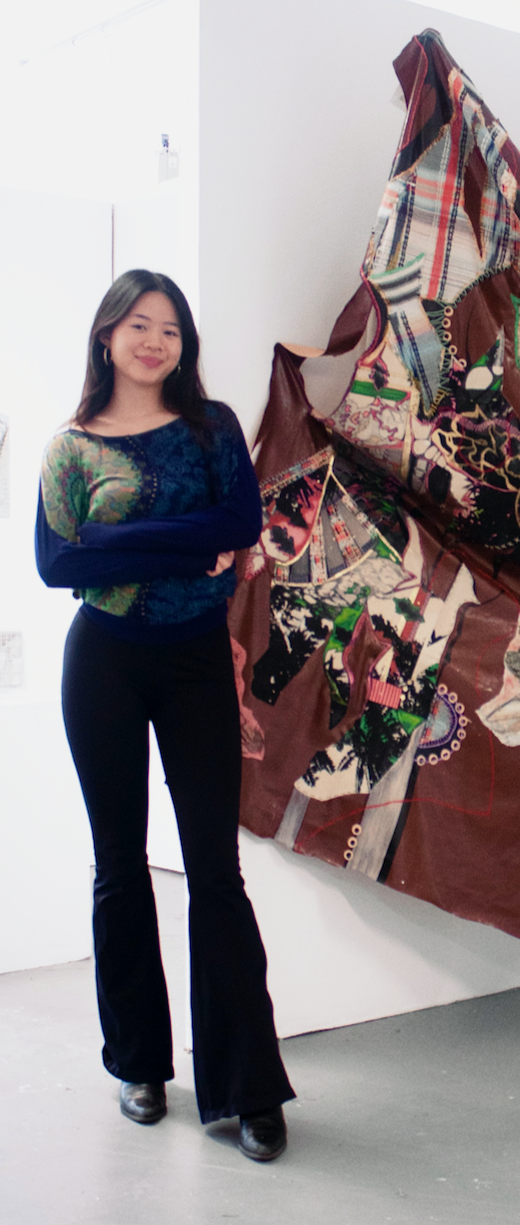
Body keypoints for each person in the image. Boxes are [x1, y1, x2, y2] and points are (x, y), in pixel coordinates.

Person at [35, 269, 295, 1162]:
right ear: (106, 335)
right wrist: (182, 543)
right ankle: (138, 1066)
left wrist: (110, 542)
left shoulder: (210, 427)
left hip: (192, 662)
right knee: (119, 866)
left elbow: (241, 516)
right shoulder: (69, 447)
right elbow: (54, 566)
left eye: (170, 328)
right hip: (102, 662)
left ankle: (248, 1090)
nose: (155, 340)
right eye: (138, 324)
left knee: (213, 869)